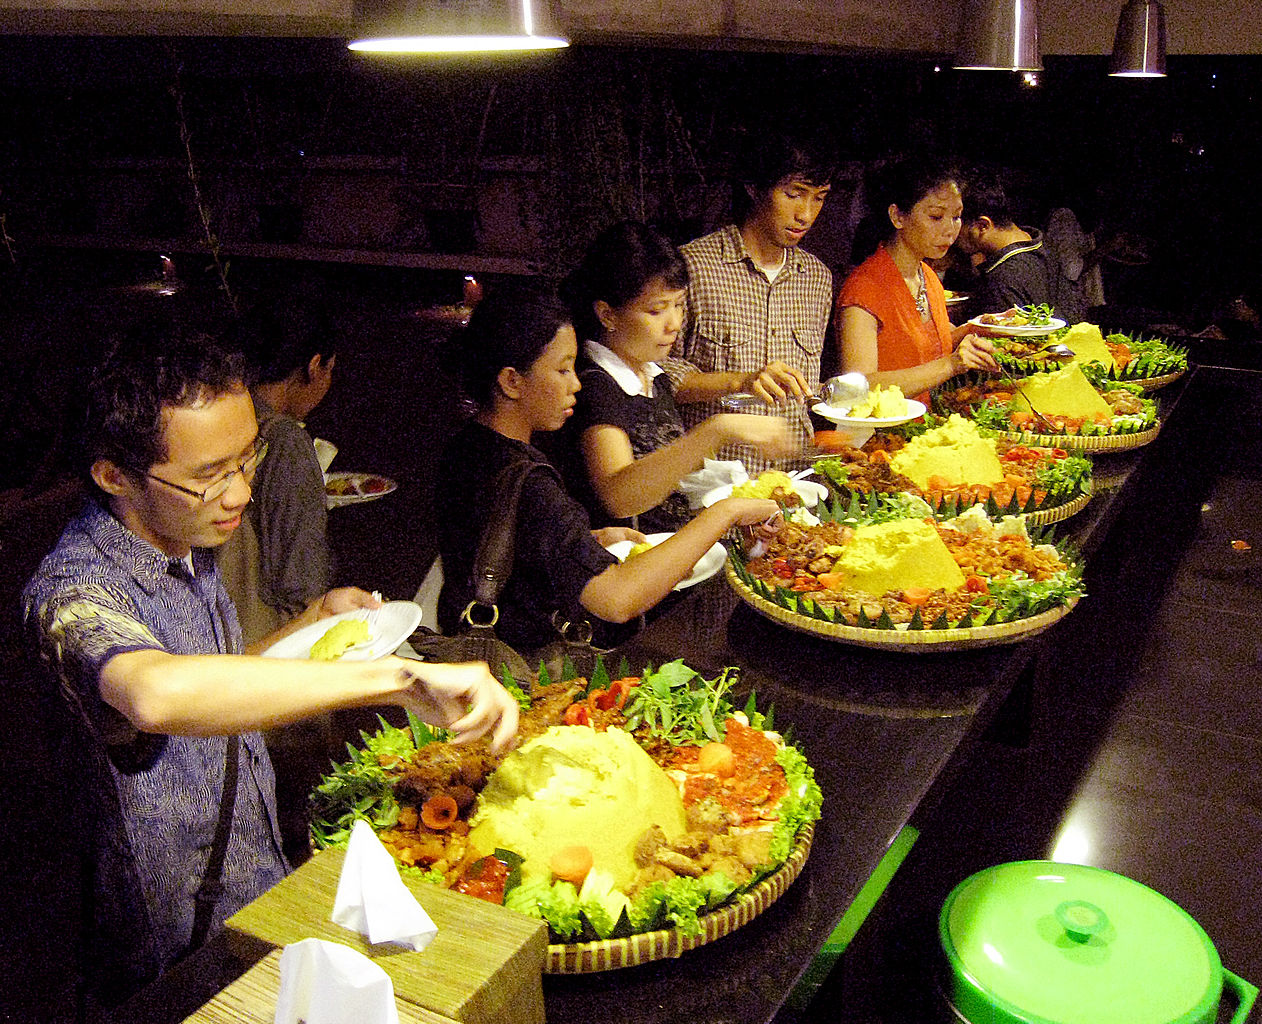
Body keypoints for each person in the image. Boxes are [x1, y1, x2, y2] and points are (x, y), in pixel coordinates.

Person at [21, 329, 518, 1009]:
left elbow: (210, 678)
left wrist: (309, 623)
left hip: (257, 898)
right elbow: (156, 694)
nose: (240, 493)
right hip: (170, 960)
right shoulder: (72, 593)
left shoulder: (182, 541)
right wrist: (397, 680)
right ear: (114, 476)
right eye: (207, 476)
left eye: (244, 460)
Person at [437, 287, 782, 654]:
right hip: (527, 668)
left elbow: (507, 542)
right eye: (562, 369)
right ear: (511, 381)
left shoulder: (468, 445)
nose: (576, 382)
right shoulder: (529, 481)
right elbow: (618, 600)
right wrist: (726, 513)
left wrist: (587, 541)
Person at [557, 220, 796, 532]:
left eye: (679, 306)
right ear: (607, 314)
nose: (673, 324)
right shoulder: (595, 384)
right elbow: (619, 496)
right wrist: (719, 429)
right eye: (656, 311)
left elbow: (672, 482)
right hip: (626, 566)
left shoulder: (653, 376)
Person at [663, 124, 839, 471]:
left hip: (792, 479)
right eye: (794, 193)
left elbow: (806, 390)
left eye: (818, 197)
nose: (806, 213)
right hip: (714, 480)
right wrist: (740, 380)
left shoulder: (817, 277)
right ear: (755, 189)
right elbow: (657, 378)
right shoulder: (693, 266)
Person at [216, 287, 337, 646]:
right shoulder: (285, 440)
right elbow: (303, 581)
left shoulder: (218, 421)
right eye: (331, 369)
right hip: (264, 646)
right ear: (315, 367)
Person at [836, 157, 999, 400]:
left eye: (957, 216)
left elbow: (925, 346)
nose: (950, 229)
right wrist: (952, 364)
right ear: (897, 216)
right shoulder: (864, 289)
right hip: (880, 435)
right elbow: (857, 388)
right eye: (936, 217)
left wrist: (975, 329)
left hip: (925, 429)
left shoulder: (928, 275)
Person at [956, 168, 1088, 324]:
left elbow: (1003, 344)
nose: (949, 230)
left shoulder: (1003, 278)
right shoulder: (1040, 243)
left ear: (983, 226)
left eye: (955, 219)